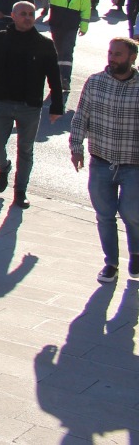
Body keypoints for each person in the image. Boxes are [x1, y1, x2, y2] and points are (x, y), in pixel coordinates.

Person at [0, 1, 63, 208]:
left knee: (26, 150)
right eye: (23, 13)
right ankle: (4, 167)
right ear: (13, 15)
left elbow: (54, 77)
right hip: (2, 101)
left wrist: (56, 107)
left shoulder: (44, 44)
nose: (27, 17)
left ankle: (20, 191)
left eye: (31, 14)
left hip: (30, 105)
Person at [70, 36, 139, 284]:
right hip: (100, 161)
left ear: (132, 58)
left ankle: (136, 253)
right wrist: (76, 146)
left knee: (132, 213)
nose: (112, 58)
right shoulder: (95, 82)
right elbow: (81, 117)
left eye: (118, 54)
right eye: (110, 53)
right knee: (105, 215)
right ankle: (111, 263)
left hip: (133, 164)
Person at [24, 0, 92, 91]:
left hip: (72, 26)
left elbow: (86, 8)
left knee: (67, 51)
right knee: (58, 51)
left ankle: (65, 79)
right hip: (57, 24)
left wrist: (84, 27)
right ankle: (57, 78)